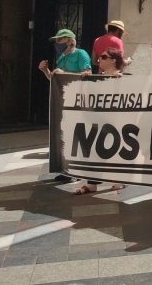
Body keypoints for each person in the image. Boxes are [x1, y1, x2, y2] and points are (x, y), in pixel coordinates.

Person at [38, 29, 93, 183]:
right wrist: (46, 71)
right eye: (56, 41)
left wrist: (63, 74)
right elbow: (56, 80)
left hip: (78, 102)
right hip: (64, 101)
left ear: (70, 41)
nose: (57, 44)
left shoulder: (80, 54)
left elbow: (87, 74)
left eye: (60, 40)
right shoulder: (61, 58)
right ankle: (67, 170)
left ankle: (77, 171)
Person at [74, 47, 128, 195]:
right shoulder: (96, 78)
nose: (99, 59)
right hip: (97, 121)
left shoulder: (124, 78)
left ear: (113, 60)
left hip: (116, 121)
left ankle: (120, 179)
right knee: (94, 149)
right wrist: (84, 79)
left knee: (116, 149)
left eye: (104, 57)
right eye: (99, 57)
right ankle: (92, 183)